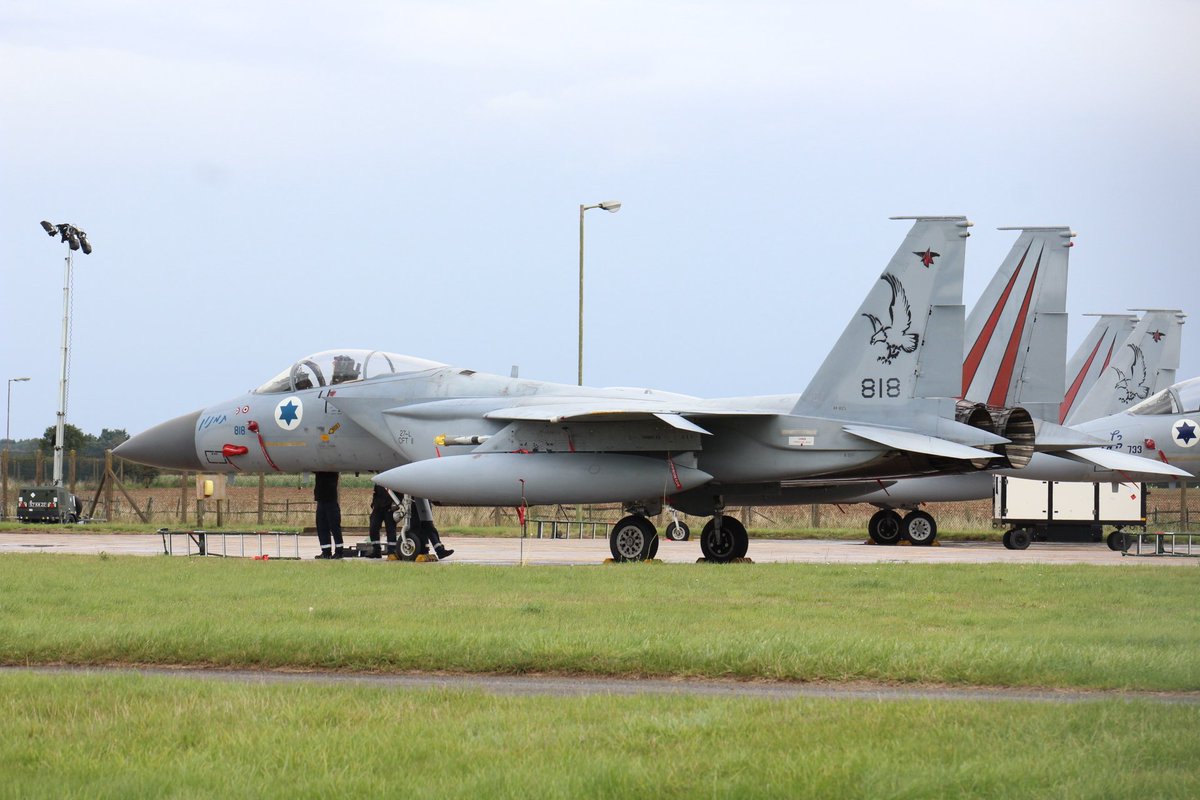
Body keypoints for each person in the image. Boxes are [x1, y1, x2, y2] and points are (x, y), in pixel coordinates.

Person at [313, 471, 346, 559]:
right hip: (321, 501)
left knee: (334, 527)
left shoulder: (332, 470)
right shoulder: (319, 470)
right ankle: (326, 552)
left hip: (331, 501)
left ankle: (339, 552)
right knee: (321, 526)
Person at [367, 484, 399, 558]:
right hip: (378, 507)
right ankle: (376, 550)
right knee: (373, 527)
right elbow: (375, 492)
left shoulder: (394, 480)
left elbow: (399, 494)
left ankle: (391, 552)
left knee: (390, 530)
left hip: (389, 508)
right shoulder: (379, 480)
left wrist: (395, 505)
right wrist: (374, 503)